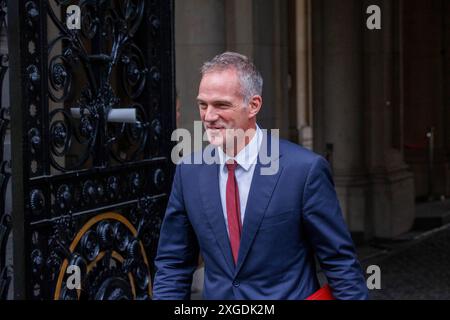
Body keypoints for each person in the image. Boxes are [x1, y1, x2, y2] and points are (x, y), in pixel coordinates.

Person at [152, 52, 368, 300]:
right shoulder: (188, 171)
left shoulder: (304, 170)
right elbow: (173, 264)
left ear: (253, 105)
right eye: (203, 104)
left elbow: (340, 264)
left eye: (221, 105)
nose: (209, 116)